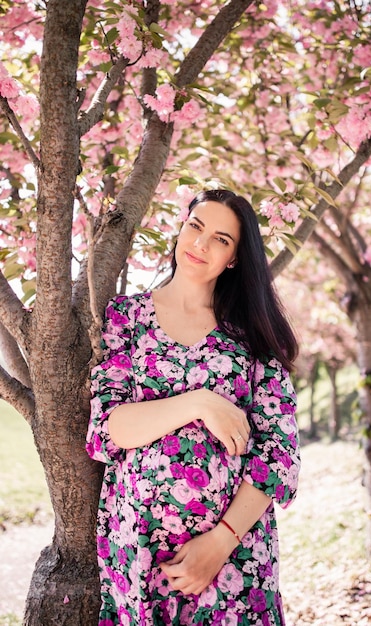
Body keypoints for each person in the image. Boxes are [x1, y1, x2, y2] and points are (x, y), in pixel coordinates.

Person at [86, 188, 301, 626]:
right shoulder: (127, 317)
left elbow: (279, 457)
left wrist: (219, 543)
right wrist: (200, 403)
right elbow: (108, 431)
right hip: (139, 553)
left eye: (221, 239)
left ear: (235, 258)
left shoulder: (254, 336)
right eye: (196, 227)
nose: (201, 244)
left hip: (233, 558)